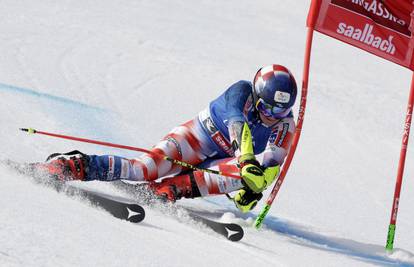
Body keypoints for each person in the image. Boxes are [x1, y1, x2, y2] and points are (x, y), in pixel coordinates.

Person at [36, 64, 297, 213]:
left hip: (226, 158)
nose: (272, 116)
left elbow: (273, 162)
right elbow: (237, 125)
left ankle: (168, 190)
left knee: (246, 173)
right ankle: (73, 165)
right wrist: (248, 161)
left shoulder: (285, 125)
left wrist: (251, 189)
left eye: (281, 110)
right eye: (267, 108)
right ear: (257, 95)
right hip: (198, 137)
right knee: (144, 168)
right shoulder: (241, 90)